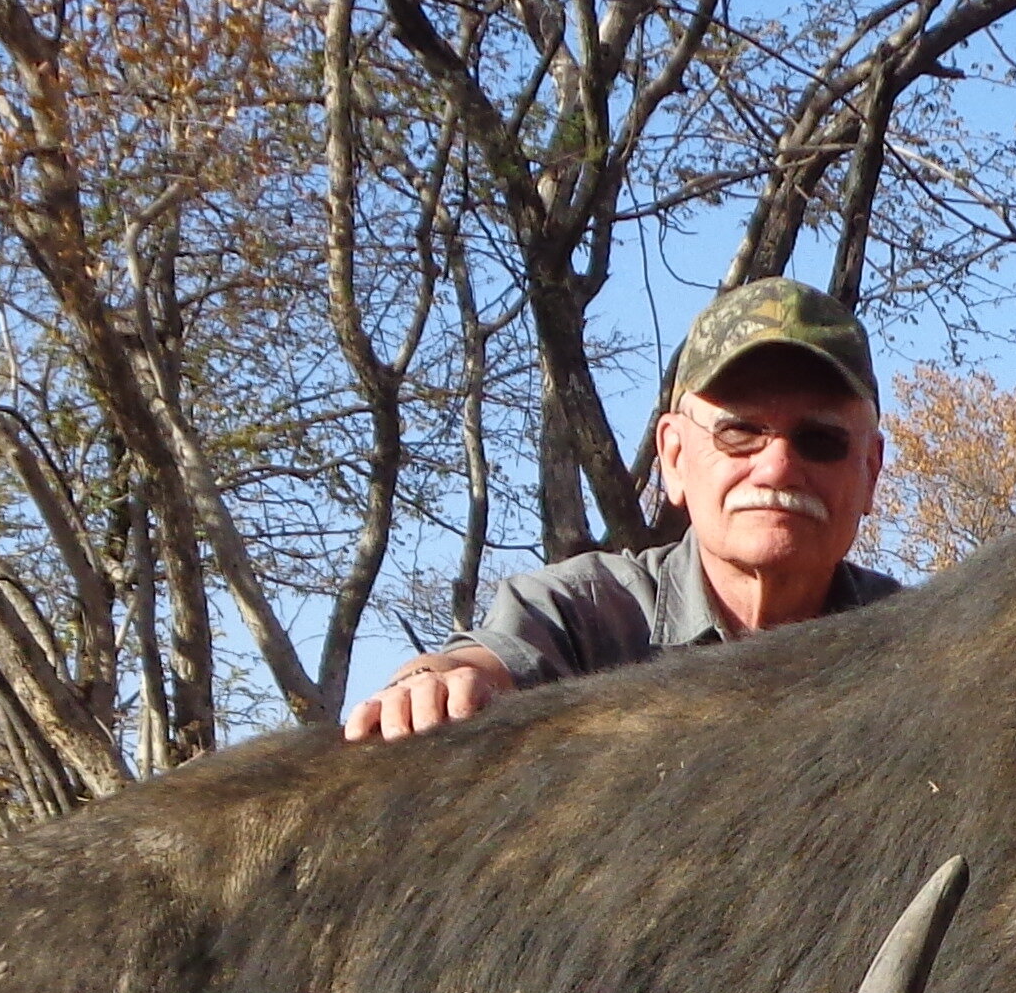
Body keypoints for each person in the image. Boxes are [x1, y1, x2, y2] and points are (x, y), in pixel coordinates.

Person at [344, 277, 900, 740]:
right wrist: (430, 684)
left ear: (870, 473)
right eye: (739, 432)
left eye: (821, 440)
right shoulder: (583, 613)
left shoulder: (920, 646)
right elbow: (483, 665)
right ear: (674, 458)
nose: (777, 466)